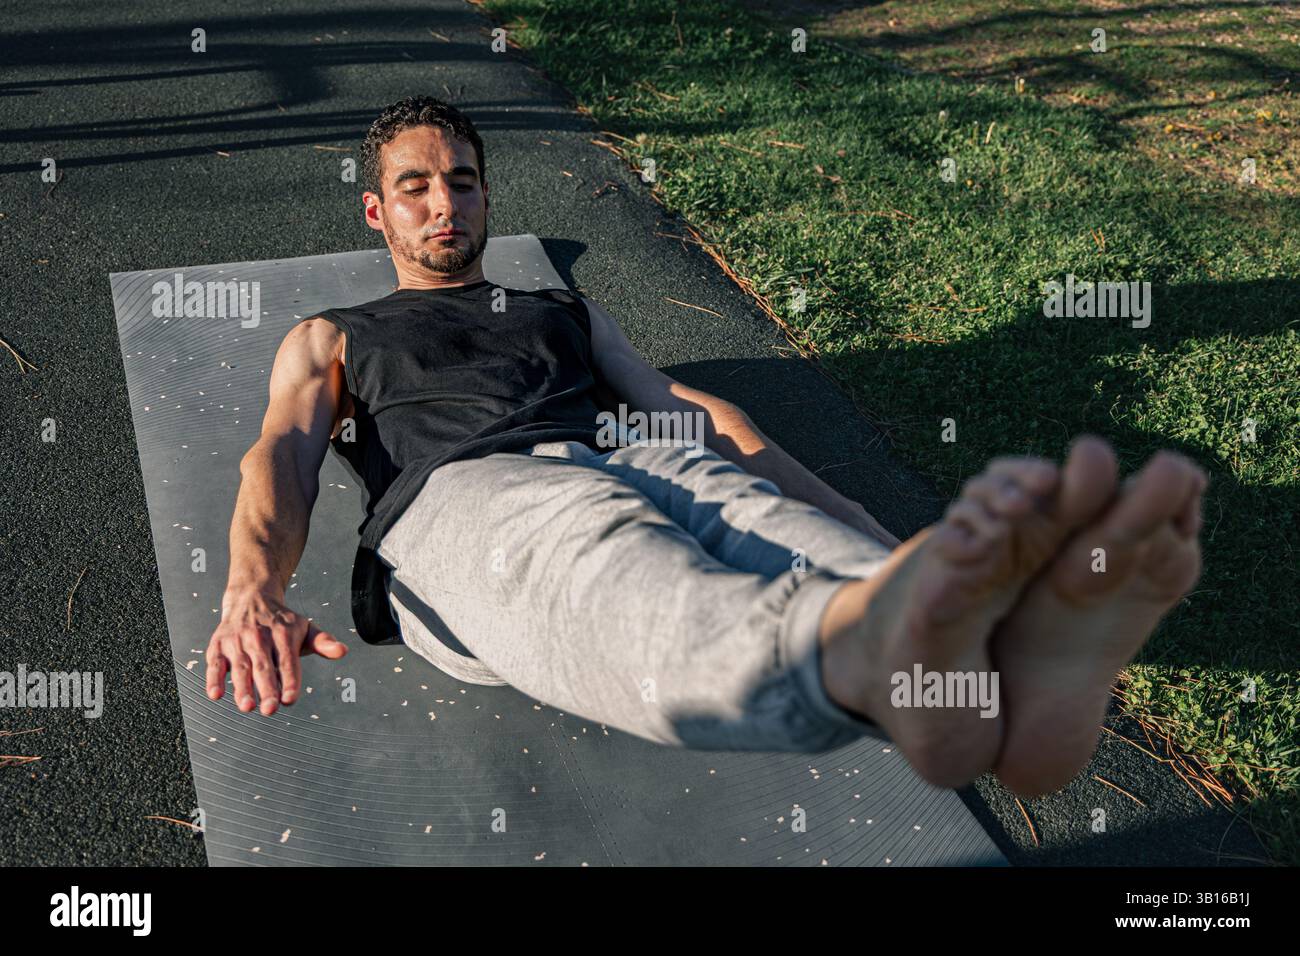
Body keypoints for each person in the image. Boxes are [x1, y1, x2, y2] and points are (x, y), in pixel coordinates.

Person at [205, 96, 1206, 798]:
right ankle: (853, 661)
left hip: (617, 454)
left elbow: (696, 414)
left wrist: (859, 523)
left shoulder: (559, 308)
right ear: (378, 209)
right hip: (467, 506)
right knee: (607, 549)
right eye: (415, 186)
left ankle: (980, 661)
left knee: (714, 497)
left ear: (484, 196)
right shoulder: (336, 333)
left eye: (461, 182)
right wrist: (253, 584)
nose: (443, 203)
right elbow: (280, 456)